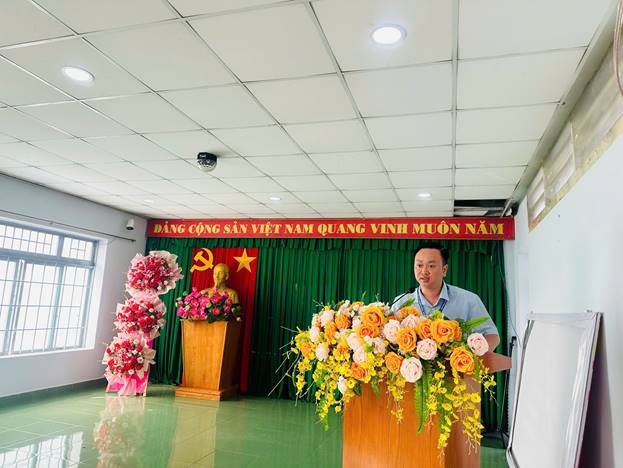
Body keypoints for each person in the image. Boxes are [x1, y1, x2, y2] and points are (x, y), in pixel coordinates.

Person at [391, 241, 500, 351]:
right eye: (419, 265)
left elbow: (492, 336)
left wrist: (472, 356)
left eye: (431, 266)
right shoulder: (401, 302)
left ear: (444, 270)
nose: (424, 271)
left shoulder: (469, 300)